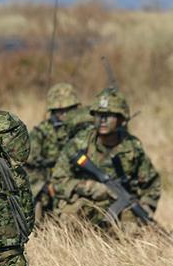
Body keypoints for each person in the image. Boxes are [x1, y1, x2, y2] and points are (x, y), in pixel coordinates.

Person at [51, 87, 161, 228]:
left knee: (134, 229)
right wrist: (91, 188)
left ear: (121, 119)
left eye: (109, 115)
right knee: (70, 218)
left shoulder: (132, 147)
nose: (102, 120)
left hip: (120, 208)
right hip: (84, 207)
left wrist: (143, 209)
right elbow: (58, 181)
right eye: (98, 115)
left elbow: (152, 184)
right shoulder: (79, 144)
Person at [26, 83, 93, 218]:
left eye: (69, 109)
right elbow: (26, 166)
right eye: (59, 110)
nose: (64, 114)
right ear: (52, 111)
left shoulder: (85, 130)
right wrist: (44, 185)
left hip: (79, 181)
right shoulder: (41, 133)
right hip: (48, 184)